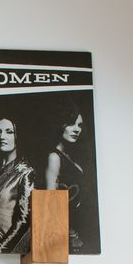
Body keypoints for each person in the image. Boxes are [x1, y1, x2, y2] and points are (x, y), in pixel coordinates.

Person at [0, 118, 35, 253]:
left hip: (7, 245)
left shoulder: (25, 172)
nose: (2, 137)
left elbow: (24, 220)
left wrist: (0, 249)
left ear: (18, 135)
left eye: (9, 132)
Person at [45, 106, 85, 250]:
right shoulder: (54, 158)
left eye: (80, 126)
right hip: (66, 233)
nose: (77, 129)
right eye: (71, 124)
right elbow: (52, 201)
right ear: (60, 125)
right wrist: (68, 233)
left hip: (78, 230)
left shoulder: (69, 158)